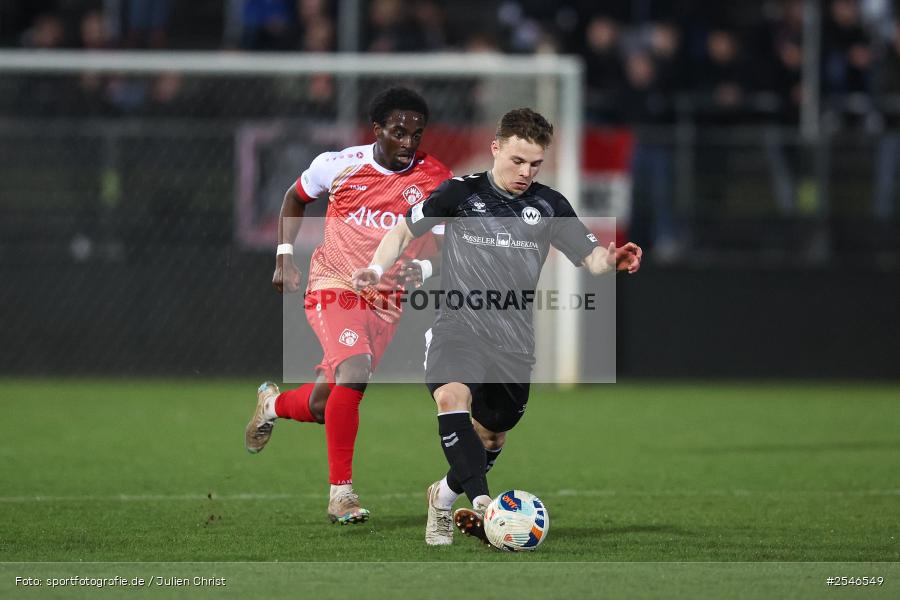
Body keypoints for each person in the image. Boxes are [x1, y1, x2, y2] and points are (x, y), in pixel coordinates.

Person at [353, 108, 642, 546]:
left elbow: (591, 259)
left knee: (492, 433)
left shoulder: (549, 206)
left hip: (513, 343)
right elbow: (401, 232)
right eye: (517, 161)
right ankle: (487, 507)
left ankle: (442, 497)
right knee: (451, 397)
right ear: (495, 148)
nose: (526, 172)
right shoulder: (458, 194)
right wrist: (376, 269)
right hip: (458, 327)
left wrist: (612, 260)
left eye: (535, 164)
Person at [244, 87, 452, 525]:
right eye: (398, 132)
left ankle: (272, 406)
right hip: (333, 285)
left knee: (324, 404)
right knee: (354, 371)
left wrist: (428, 270)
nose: (408, 143)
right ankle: (342, 495)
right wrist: (284, 255)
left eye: (417, 134)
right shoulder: (338, 165)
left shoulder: (436, 179)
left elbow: (447, 243)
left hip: (387, 303)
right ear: (377, 130)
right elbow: (293, 197)